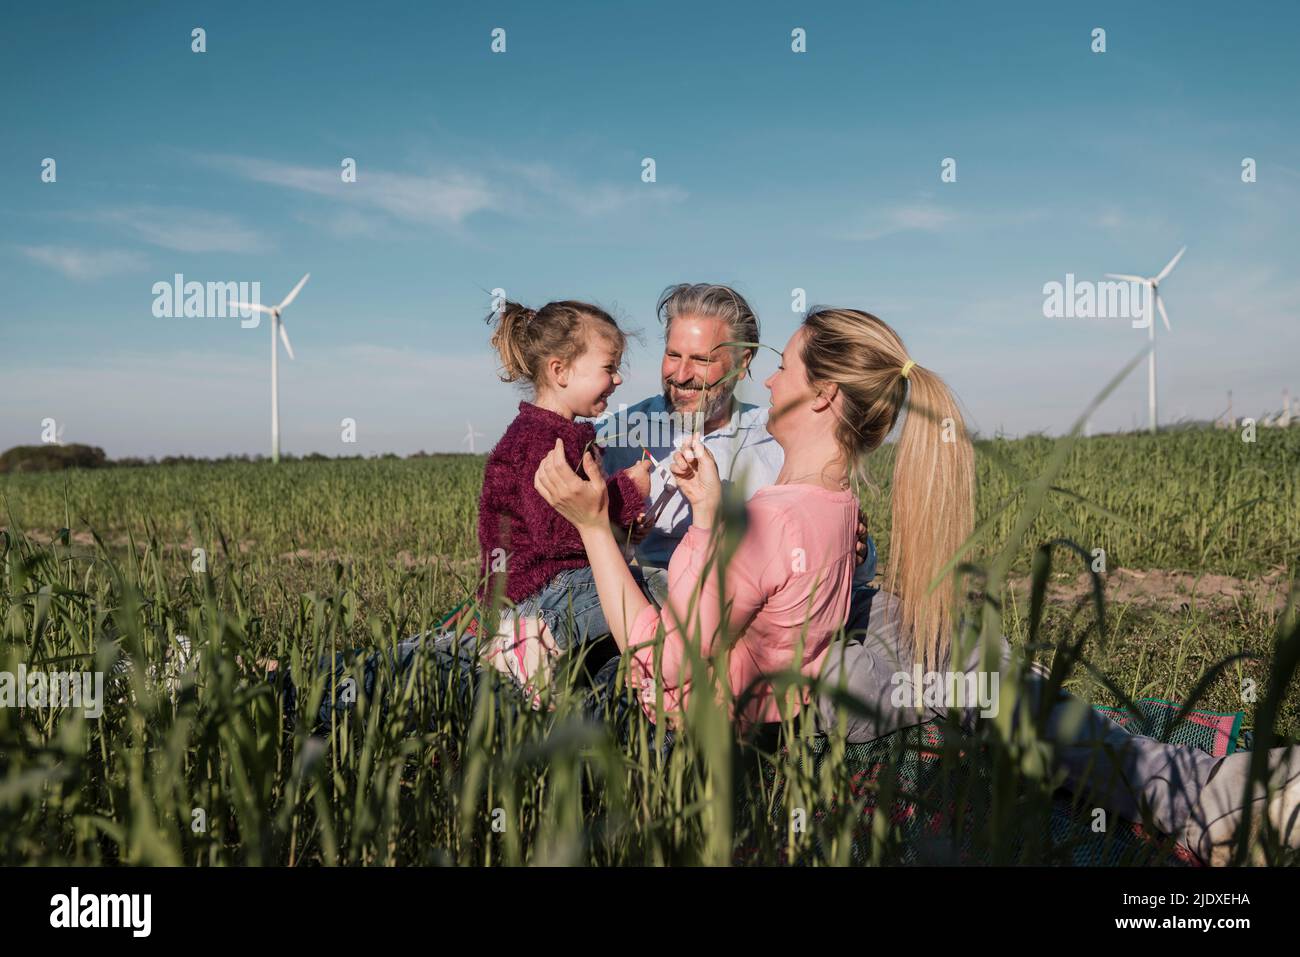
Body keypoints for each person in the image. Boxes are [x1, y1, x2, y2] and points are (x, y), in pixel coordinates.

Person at [535, 306, 1300, 866]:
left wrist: (595, 528)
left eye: (784, 365)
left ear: (824, 395)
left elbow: (668, 674)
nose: (766, 375)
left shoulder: (772, 519)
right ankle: (1200, 787)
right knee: (980, 672)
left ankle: (1197, 792)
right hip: (829, 665)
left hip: (791, 706)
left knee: (971, 672)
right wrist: (707, 515)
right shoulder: (835, 500)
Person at [598, 283, 876, 609]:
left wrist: (857, 552)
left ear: (742, 363)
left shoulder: (776, 438)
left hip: (756, 608)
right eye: (673, 355)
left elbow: (857, 569)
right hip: (653, 603)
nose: (681, 374)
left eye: (701, 359)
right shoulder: (620, 435)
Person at [475, 298, 655, 671]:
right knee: (653, 591)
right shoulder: (544, 442)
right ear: (561, 371)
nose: (618, 379)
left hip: (550, 586)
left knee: (633, 604)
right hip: (539, 592)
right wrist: (628, 492)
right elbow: (557, 533)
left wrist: (624, 531)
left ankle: (549, 666)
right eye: (609, 368)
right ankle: (527, 643)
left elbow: (580, 527)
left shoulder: (555, 434)